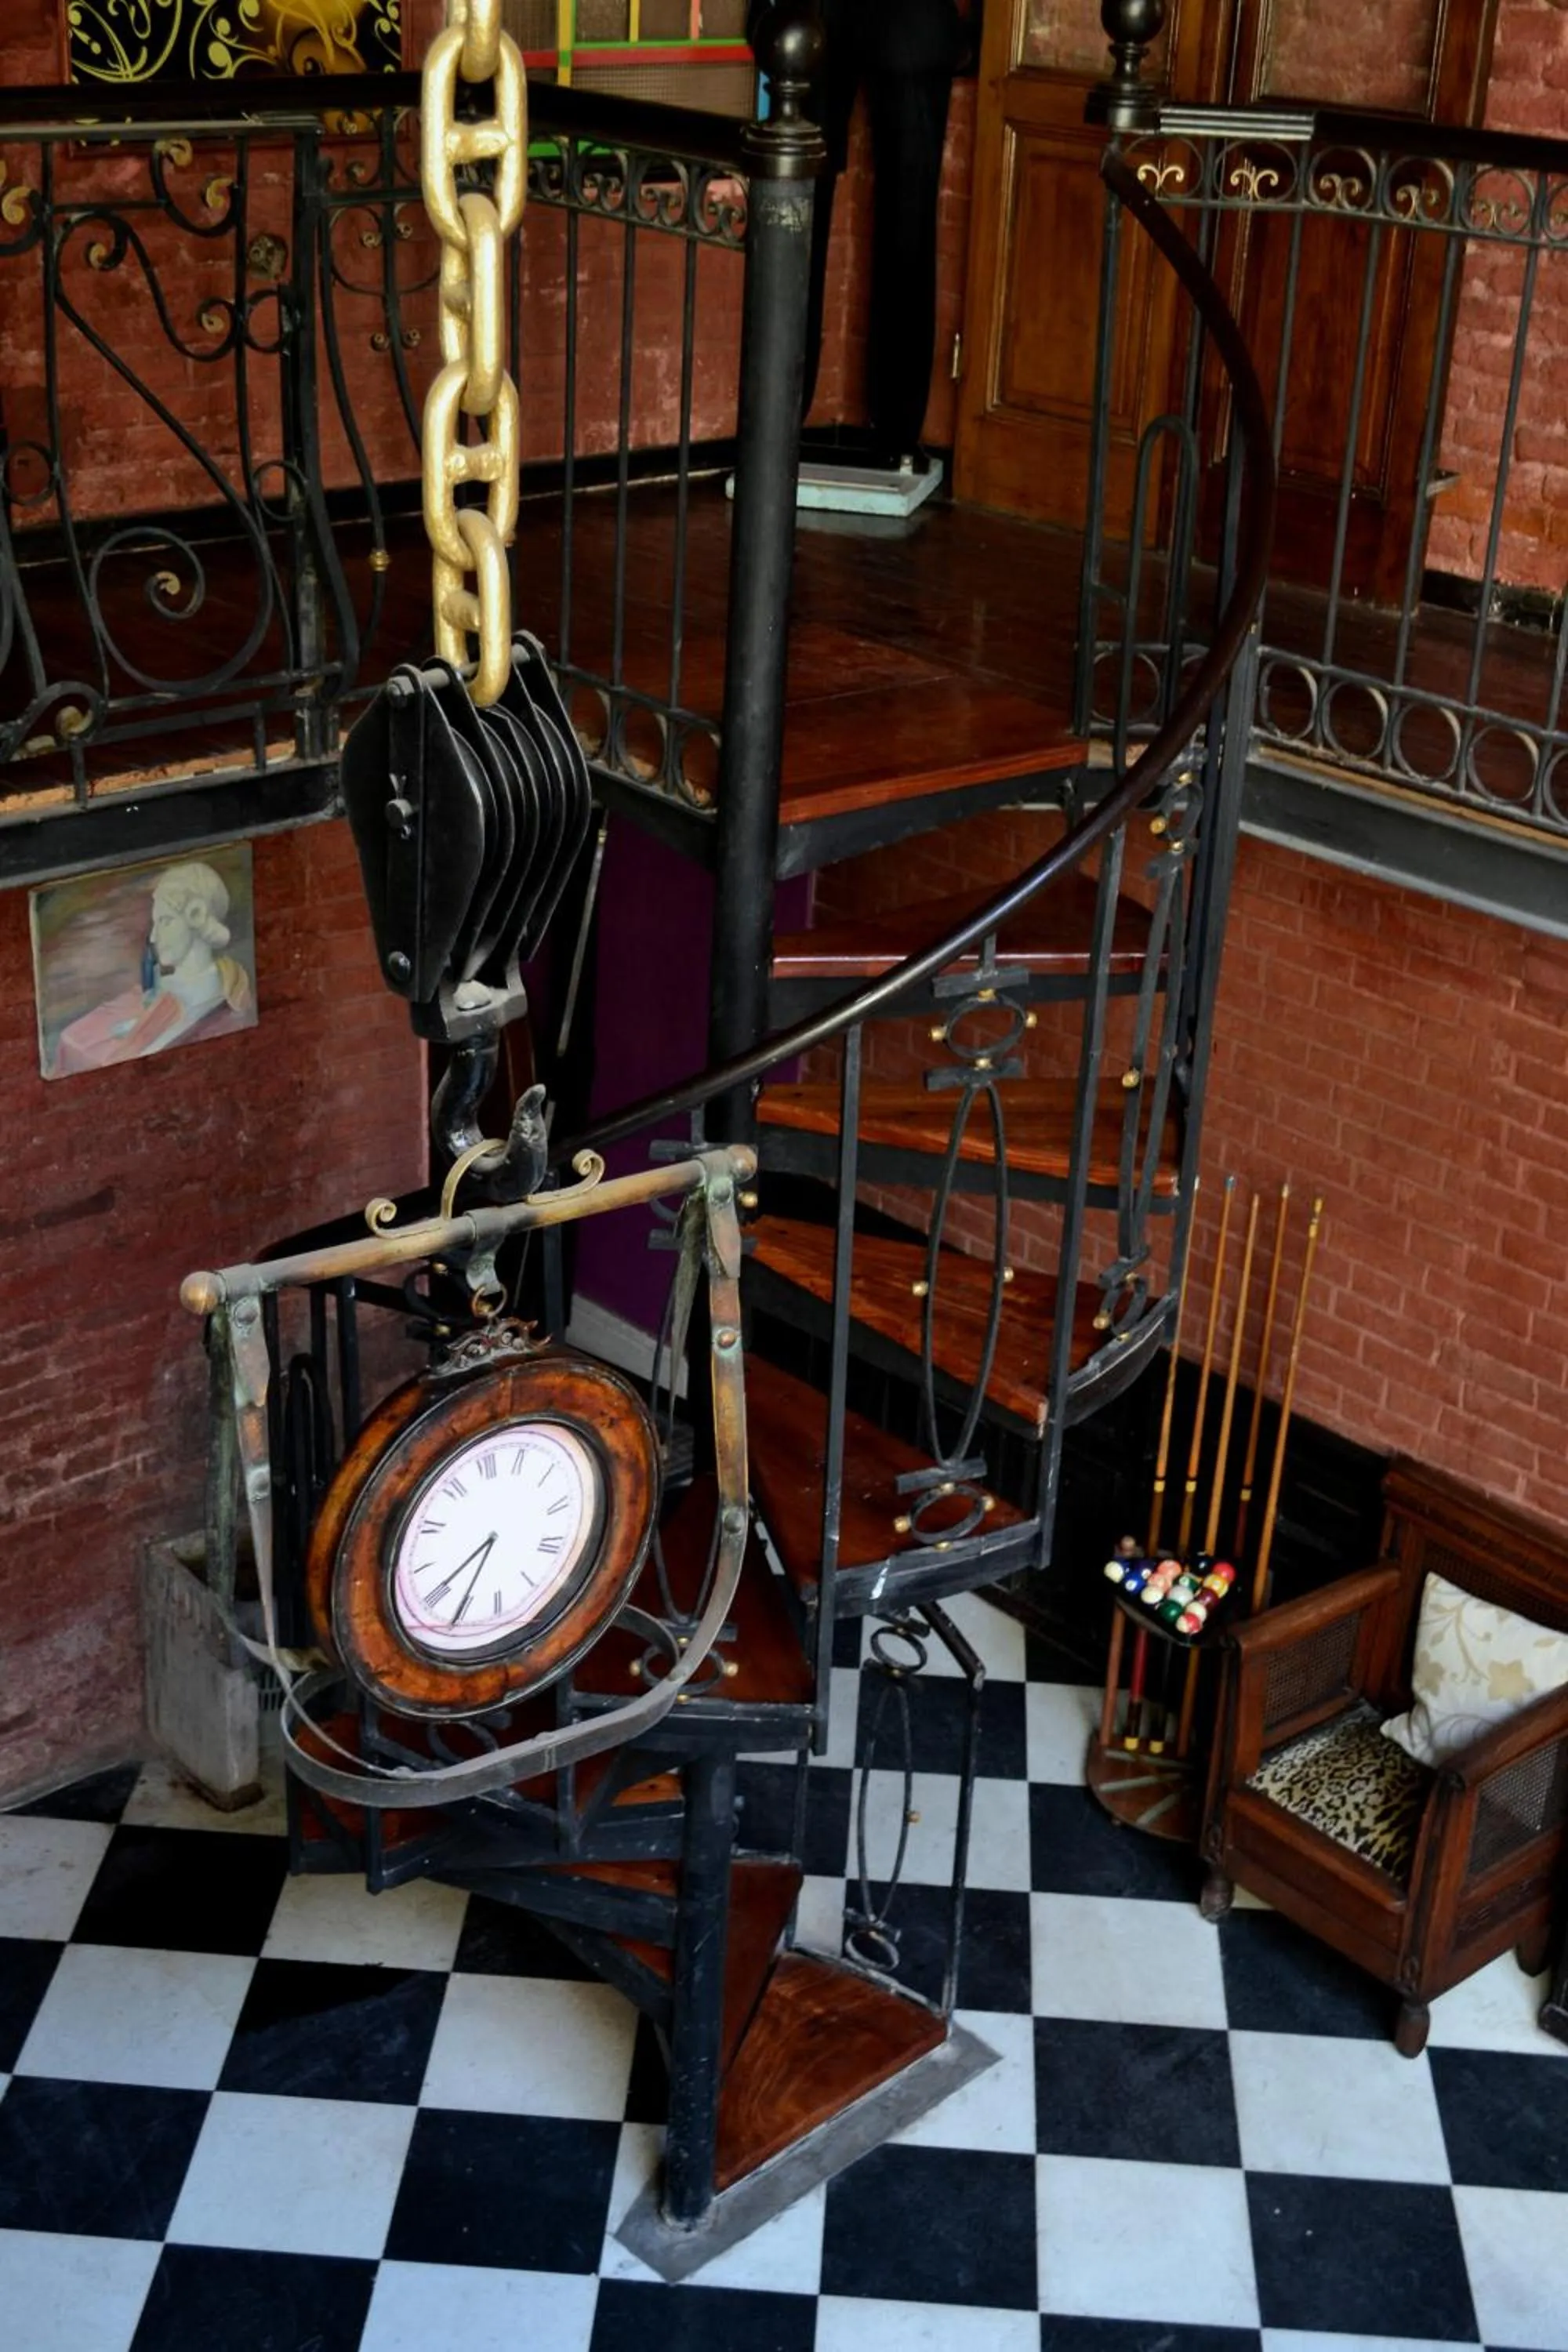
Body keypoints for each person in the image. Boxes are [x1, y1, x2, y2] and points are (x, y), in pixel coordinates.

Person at [750, 0, 971, 467]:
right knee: (809, 205)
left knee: (814, 207)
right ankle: (885, 431)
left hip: (843, 19)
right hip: (825, 20)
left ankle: (792, 422)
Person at [53, 859, 255, 1074]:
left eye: (165, 921)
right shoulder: (163, 987)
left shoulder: (215, 997)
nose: (154, 936)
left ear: (196, 916)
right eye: (155, 923)